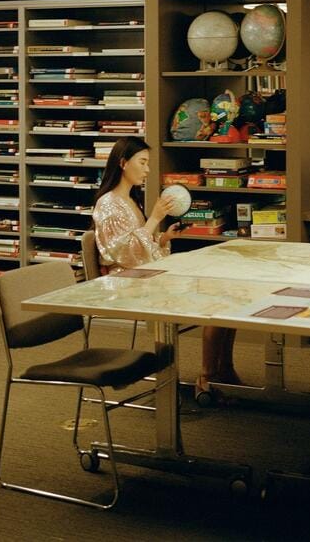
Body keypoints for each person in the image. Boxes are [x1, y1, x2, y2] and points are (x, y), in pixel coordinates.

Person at [91, 136, 239, 398]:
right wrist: (155, 219)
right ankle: (207, 376)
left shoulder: (129, 200)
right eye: (143, 162)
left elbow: (140, 246)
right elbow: (122, 252)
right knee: (216, 300)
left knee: (225, 290)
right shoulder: (108, 204)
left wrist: (163, 237)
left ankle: (223, 369)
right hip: (127, 283)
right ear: (124, 163)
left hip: (143, 273)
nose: (148, 170)